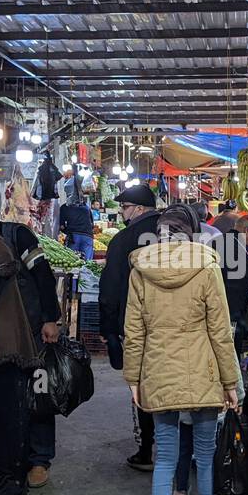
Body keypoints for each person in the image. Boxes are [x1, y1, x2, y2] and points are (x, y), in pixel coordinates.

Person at [123, 204, 237, 495]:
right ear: (193, 233)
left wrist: (133, 378)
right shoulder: (206, 265)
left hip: (158, 370)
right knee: (204, 456)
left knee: (166, 461)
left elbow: (134, 331)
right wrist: (230, 381)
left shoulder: (141, 269)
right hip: (202, 370)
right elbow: (220, 330)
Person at [0, 205, 63, 494]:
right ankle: (8, 460)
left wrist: (51, 318)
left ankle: (39, 459)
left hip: (31, 328)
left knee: (39, 394)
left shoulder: (17, 235)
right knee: (6, 402)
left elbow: (43, 274)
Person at [98, 184, 162, 470]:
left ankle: (147, 449)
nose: (121, 212)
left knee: (144, 385)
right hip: (179, 324)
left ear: (137, 209)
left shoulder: (124, 240)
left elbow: (110, 288)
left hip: (139, 325)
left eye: (124, 207)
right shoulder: (179, 235)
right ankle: (184, 451)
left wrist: (109, 329)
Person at [58, 181, 95, 261]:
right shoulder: (86, 207)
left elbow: (61, 226)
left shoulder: (65, 207)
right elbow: (92, 224)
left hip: (74, 236)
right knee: (88, 263)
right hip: (88, 236)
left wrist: (67, 232)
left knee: (71, 261)